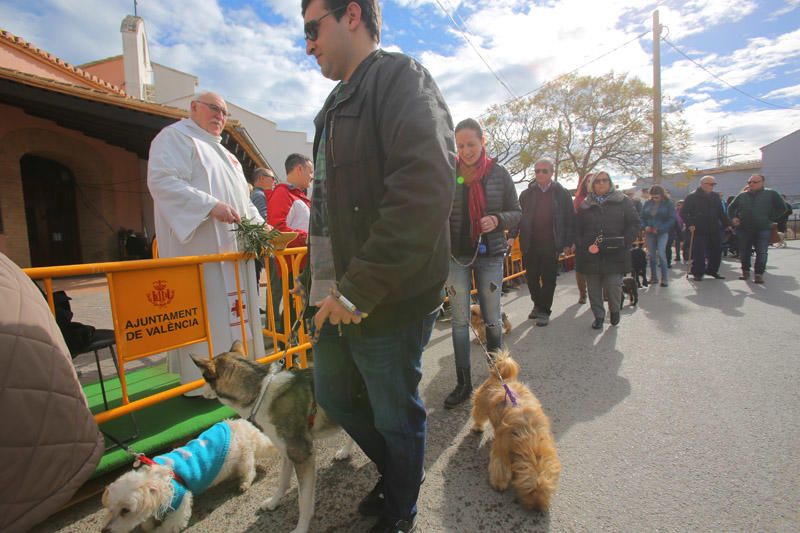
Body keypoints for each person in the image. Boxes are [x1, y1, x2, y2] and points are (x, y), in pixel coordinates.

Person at [300, 1, 455, 531]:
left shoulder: (401, 79)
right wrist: (316, 290)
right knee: (336, 395)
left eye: (311, 29)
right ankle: (399, 474)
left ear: (351, 16)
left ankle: (400, 511)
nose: (308, 44)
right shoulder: (330, 109)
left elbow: (424, 188)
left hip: (384, 295)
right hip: (332, 296)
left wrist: (358, 289)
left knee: (394, 412)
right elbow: (327, 215)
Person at [147, 91, 266, 395]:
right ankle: (204, 387)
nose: (220, 117)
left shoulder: (228, 156)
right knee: (209, 316)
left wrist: (265, 231)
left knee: (238, 317)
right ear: (194, 108)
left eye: (224, 113)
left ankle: (239, 377)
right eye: (214, 109)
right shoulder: (175, 138)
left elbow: (244, 203)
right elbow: (161, 180)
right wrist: (209, 206)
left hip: (233, 255)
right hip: (200, 253)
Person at [443, 118, 521, 409]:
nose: (465, 150)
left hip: (490, 254)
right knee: (460, 323)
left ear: (482, 142)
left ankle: (498, 381)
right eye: (460, 145)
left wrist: (498, 219)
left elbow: (516, 211)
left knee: (491, 318)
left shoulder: (499, 174)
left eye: (471, 144)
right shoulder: (448, 173)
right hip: (455, 256)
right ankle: (463, 384)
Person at [575, 171, 640, 329]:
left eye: (605, 180)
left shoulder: (622, 200)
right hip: (591, 252)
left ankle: (615, 311)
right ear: (592, 184)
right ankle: (598, 316)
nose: (601, 183)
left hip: (615, 250)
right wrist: (582, 244)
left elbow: (634, 223)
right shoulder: (585, 204)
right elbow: (577, 227)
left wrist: (626, 241)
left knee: (613, 285)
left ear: (610, 182)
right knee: (593, 288)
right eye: (597, 181)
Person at [518, 158, 575, 326]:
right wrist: (512, 235)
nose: (540, 174)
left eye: (544, 171)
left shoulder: (562, 193)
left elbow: (570, 218)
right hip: (530, 243)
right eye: (537, 171)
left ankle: (544, 311)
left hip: (552, 243)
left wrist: (568, 241)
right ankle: (537, 304)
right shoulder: (526, 194)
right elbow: (518, 217)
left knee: (549, 278)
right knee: (532, 277)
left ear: (551, 173)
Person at [268, 153, 313, 335]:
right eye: (310, 171)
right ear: (299, 169)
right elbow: (277, 228)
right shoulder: (283, 193)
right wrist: (307, 238)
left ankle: (297, 348)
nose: (312, 176)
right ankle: (288, 353)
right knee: (293, 308)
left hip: (301, 263)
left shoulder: (298, 196)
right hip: (292, 265)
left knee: (299, 308)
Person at [728, 174, 789, 283]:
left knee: (762, 252)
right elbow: (731, 208)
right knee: (744, 252)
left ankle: (758, 274)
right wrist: (734, 218)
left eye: (754, 182)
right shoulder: (742, 195)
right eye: (749, 182)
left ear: (762, 182)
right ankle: (745, 271)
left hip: (763, 228)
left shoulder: (771, 193)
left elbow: (783, 208)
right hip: (744, 228)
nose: (751, 184)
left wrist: (770, 218)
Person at [680, 175, 731, 282]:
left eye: (714, 184)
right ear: (702, 184)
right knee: (699, 252)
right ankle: (698, 272)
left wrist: (727, 224)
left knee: (716, 250)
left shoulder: (715, 196)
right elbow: (683, 213)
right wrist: (690, 224)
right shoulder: (692, 196)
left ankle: (712, 271)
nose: (712, 186)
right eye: (710, 184)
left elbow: (720, 213)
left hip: (714, 227)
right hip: (698, 229)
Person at [640, 185, 676, 287]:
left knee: (661, 253)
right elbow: (642, 217)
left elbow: (672, 219)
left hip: (662, 232)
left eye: (657, 197)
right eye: (653, 197)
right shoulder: (647, 203)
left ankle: (664, 279)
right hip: (649, 232)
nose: (655, 199)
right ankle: (654, 277)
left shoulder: (668, 204)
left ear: (662, 195)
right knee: (651, 256)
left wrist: (661, 228)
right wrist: (645, 226)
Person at [250, 167, 277, 294]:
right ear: (261, 178)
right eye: (272, 178)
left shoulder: (256, 194)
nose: (274, 181)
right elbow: (264, 219)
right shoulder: (259, 196)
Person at [573, 173, 592, 304]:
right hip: (581, 238)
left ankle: (597, 295)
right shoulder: (579, 200)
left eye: (593, 181)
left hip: (598, 238)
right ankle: (582, 294)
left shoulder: (604, 198)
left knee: (597, 268)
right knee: (580, 268)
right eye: (588, 181)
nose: (590, 184)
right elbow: (573, 220)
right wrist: (573, 240)